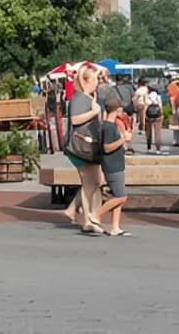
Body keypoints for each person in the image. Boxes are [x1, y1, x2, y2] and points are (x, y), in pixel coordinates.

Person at [64, 64, 105, 233]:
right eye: (94, 80)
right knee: (89, 183)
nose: (97, 83)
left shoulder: (86, 97)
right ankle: (89, 219)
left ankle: (84, 213)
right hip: (81, 147)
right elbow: (75, 120)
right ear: (86, 81)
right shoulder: (81, 98)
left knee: (96, 181)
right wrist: (94, 112)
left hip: (88, 146)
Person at [93, 96, 131, 237]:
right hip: (112, 165)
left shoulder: (110, 125)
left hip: (116, 164)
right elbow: (107, 147)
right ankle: (96, 214)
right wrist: (123, 139)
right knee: (121, 196)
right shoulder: (108, 127)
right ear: (117, 109)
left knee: (117, 195)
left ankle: (115, 227)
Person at [144, 82, 164, 154]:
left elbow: (145, 106)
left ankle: (149, 147)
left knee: (148, 132)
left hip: (149, 115)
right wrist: (162, 115)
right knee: (157, 132)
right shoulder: (158, 96)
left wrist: (144, 116)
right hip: (157, 115)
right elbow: (160, 106)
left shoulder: (147, 96)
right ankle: (158, 149)